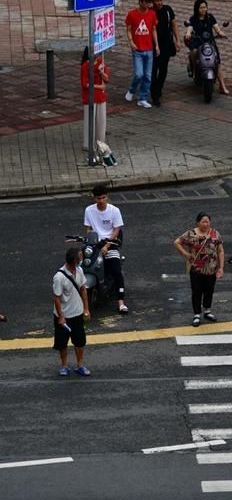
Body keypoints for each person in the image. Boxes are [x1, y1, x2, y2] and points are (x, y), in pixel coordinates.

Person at [83, 184, 128, 314]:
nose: (101, 200)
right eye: (99, 198)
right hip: (95, 243)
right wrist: (90, 240)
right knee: (83, 264)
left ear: (107, 197)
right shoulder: (89, 210)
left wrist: (107, 245)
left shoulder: (114, 210)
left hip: (111, 243)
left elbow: (116, 230)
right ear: (94, 198)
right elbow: (88, 229)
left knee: (116, 271)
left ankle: (121, 302)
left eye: (103, 198)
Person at [174, 212, 224, 325]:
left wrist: (221, 267)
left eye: (207, 222)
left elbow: (220, 250)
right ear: (198, 222)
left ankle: (207, 311)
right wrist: (186, 254)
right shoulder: (191, 234)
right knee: (196, 291)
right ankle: (196, 314)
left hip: (211, 269)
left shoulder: (215, 234)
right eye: (203, 222)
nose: (206, 224)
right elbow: (177, 242)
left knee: (209, 290)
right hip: (196, 269)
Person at [52, 246, 91, 377]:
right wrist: (61, 317)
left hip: (77, 314)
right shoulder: (59, 277)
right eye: (80, 257)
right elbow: (56, 298)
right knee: (62, 343)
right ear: (75, 261)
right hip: (64, 317)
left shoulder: (79, 271)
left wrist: (86, 309)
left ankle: (80, 365)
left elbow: (83, 289)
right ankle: (64, 365)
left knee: (80, 342)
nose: (82, 259)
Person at [184, 0, 229, 94]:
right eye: (201, 8)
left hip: (209, 42)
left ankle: (222, 86)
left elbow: (216, 28)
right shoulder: (193, 19)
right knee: (194, 51)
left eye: (205, 7)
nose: (203, 9)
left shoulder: (210, 17)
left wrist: (221, 33)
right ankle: (195, 69)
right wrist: (188, 33)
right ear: (197, 9)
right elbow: (190, 27)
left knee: (218, 62)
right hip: (198, 41)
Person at [124, 0, 159, 109]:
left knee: (148, 76)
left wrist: (157, 45)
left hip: (149, 49)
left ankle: (143, 98)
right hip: (137, 49)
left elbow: (153, 30)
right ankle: (132, 90)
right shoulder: (132, 14)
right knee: (139, 74)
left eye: (149, 2)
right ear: (140, 2)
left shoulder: (152, 14)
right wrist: (131, 42)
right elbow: (128, 29)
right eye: (146, 2)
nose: (148, 4)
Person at [149, 0, 180, 107]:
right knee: (153, 70)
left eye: (161, 0)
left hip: (166, 44)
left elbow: (174, 24)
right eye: (157, 0)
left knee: (163, 70)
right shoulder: (150, 12)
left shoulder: (168, 10)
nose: (159, 3)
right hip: (153, 45)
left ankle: (158, 90)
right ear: (152, 1)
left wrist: (177, 40)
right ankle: (154, 93)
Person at [80, 46, 109, 157]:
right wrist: (99, 87)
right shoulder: (85, 66)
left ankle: (100, 143)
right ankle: (88, 144)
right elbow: (85, 84)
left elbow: (107, 79)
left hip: (100, 97)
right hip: (90, 97)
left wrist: (101, 72)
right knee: (90, 121)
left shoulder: (101, 63)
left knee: (101, 121)